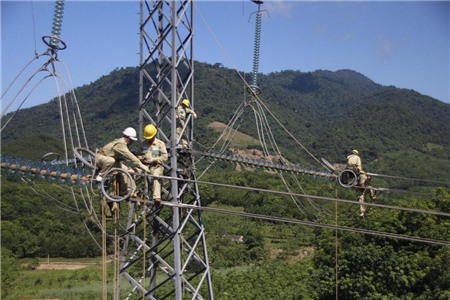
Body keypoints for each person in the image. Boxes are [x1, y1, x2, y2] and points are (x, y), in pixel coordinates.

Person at [94, 127, 150, 194]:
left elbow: (126, 157)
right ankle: (100, 175)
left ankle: (125, 190)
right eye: (131, 140)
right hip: (101, 158)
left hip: (110, 160)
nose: (132, 142)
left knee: (128, 170)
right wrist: (141, 165)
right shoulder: (121, 144)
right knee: (111, 160)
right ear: (127, 138)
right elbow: (129, 155)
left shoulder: (123, 144)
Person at [140, 124, 168, 204]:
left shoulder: (160, 144)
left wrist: (154, 160)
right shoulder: (143, 144)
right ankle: (138, 194)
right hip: (145, 166)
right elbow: (139, 155)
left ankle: (157, 197)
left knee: (156, 176)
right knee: (137, 173)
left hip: (156, 166)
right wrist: (142, 159)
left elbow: (165, 157)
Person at [346, 149, 374, 217]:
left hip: (351, 171)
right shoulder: (357, 158)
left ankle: (371, 201)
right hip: (362, 189)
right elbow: (359, 165)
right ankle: (363, 211)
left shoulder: (349, 157)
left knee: (365, 194)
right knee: (362, 198)